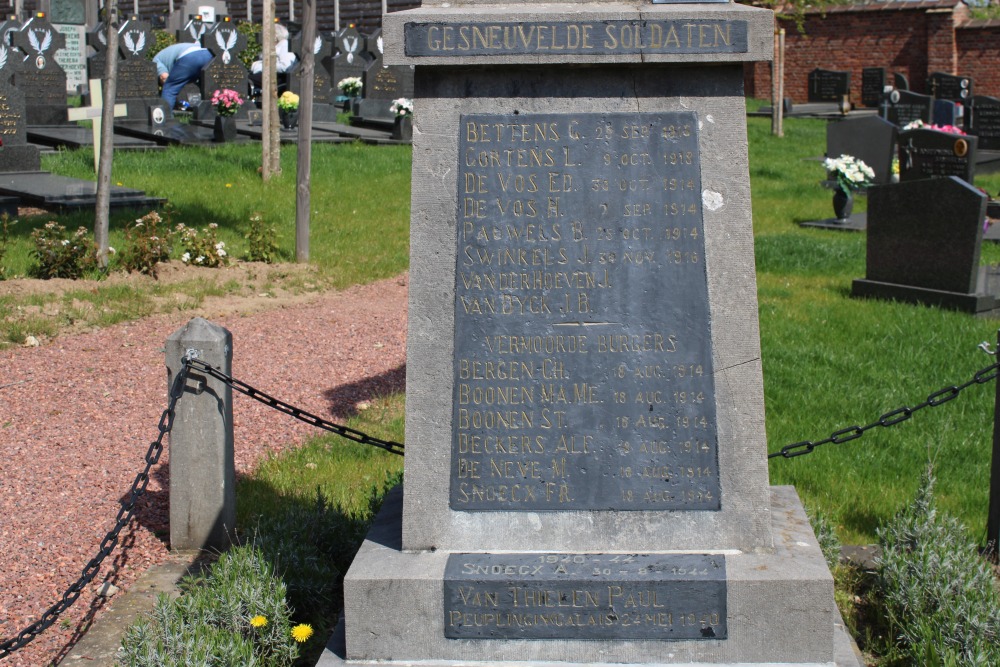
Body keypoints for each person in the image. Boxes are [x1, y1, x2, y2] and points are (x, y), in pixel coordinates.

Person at [153, 42, 213, 110]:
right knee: (209, 89)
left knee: (169, 88)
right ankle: (214, 115)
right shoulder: (164, 55)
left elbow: (164, 77)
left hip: (189, 56)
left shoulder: (155, 60)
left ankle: (166, 117)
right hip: (208, 53)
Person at [249, 24, 297, 90]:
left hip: (278, 77)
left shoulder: (284, 45)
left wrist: (263, 66)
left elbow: (285, 67)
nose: (264, 37)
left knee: (246, 80)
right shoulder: (273, 47)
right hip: (269, 75)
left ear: (275, 36)